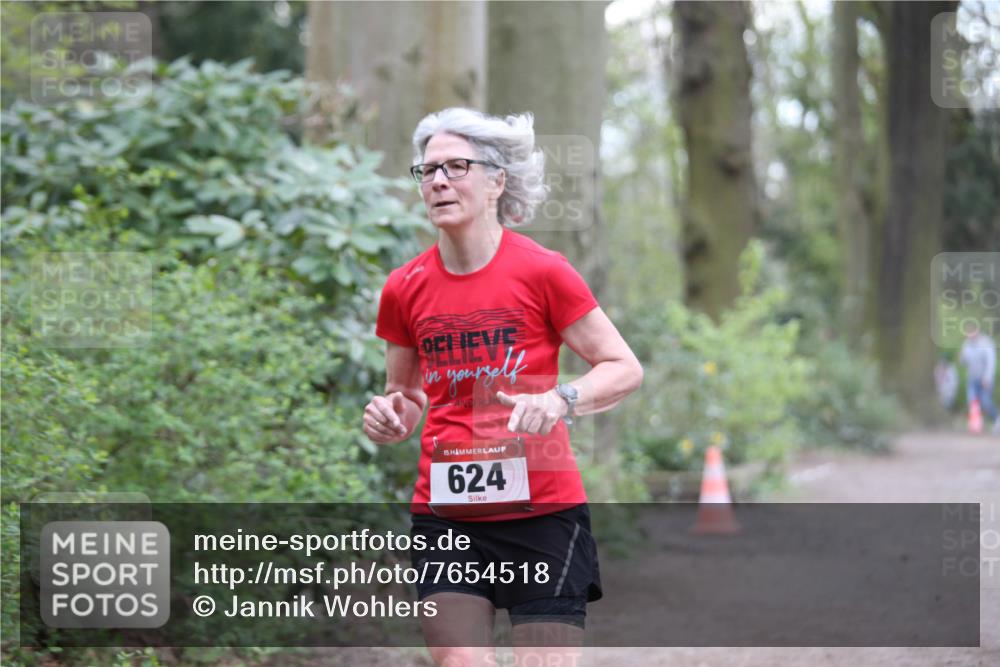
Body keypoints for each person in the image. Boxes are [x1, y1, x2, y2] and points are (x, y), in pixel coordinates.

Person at [363, 107, 643, 666]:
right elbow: (407, 394)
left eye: (456, 166)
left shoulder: (544, 271)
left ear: (497, 181)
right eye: (428, 170)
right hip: (445, 517)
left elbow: (622, 366)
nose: (439, 180)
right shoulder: (404, 287)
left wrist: (559, 398)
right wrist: (391, 415)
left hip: (542, 514)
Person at [959, 324, 999, 433]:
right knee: (972, 402)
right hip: (972, 378)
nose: (970, 335)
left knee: (986, 402)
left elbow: (991, 362)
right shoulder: (966, 344)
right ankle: (976, 425)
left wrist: (987, 377)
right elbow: (964, 362)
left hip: (984, 378)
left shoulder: (986, 343)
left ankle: (997, 420)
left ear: (977, 331)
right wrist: (962, 357)